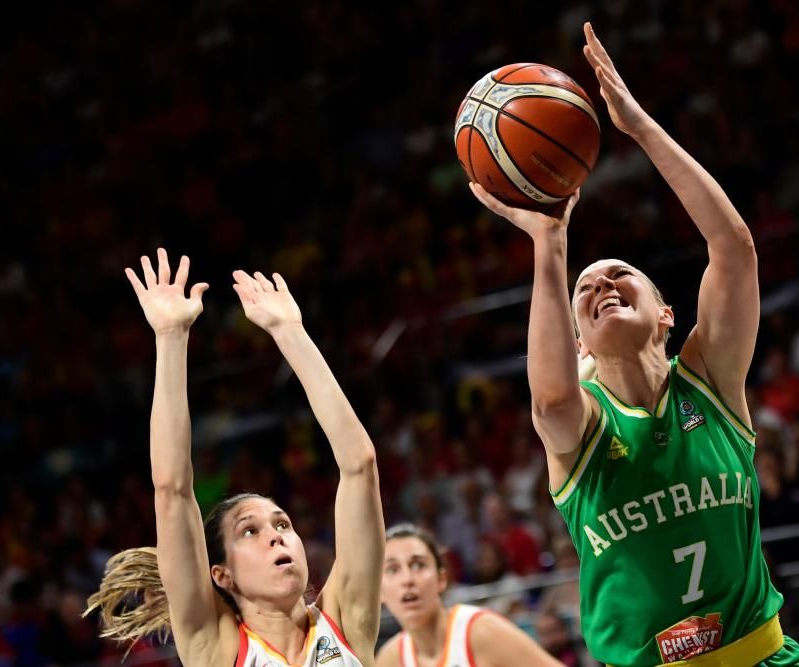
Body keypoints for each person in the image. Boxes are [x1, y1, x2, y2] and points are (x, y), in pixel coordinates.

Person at [468, 22, 799, 666]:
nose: (602, 284)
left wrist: (640, 128)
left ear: (666, 316)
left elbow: (733, 252)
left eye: (621, 275)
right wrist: (550, 246)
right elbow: (550, 401)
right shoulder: (583, 425)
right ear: (578, 342)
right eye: (586, 290)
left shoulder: (711, 381)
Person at [83, 249, 384, 666]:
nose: (277, 535)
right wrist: (170, 338)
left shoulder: (346, 621)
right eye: (249, 532)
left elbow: (359, 465)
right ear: (221, 574)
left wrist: (290, 332)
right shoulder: (215, 648)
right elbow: (172, 489)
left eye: (282, 523)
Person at [376, 524, 563, 667]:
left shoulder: (481, 631)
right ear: (380, 592)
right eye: (392, 569)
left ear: (442, 579)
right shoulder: (389, 660)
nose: (407, 579)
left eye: (419, 565)